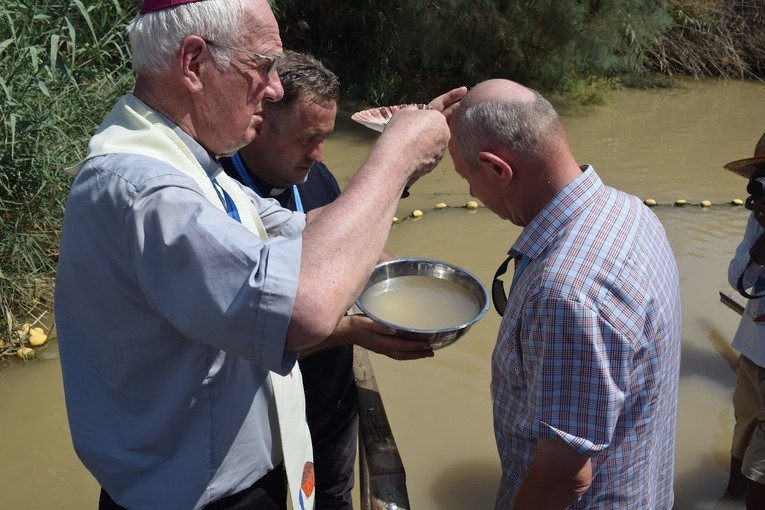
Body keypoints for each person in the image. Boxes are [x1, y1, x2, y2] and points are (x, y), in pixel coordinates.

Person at [54, 0, 463, 508]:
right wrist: (395, 157)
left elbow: (303, 230)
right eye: (263, 65)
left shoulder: (191, 164)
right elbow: (305, 308)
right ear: (193, 63)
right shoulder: (152, 190)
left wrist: (400, 175)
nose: (272, 89)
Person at [448, 79, 682, 509]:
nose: (470, 194)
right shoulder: (629, 210)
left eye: (467, 177)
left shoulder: (567, 293)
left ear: (498, 169)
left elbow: (563, 480)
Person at [219, 50, 434, 509]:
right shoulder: (219, 202)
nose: (318, 155)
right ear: (257, 123)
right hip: (262, 422)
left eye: (325, 138)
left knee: (335, 498)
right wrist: (355, 330)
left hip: (332, 404)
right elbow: (245, 338)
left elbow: (357, 251)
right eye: (307, 139)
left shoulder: (315, 177)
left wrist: (408, 287)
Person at [723, 131, 765, 509]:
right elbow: (737, 280)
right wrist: (758, 248)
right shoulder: (758, 224)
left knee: (761, 471)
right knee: (741, 436)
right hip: (752, 354)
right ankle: (727, 497)